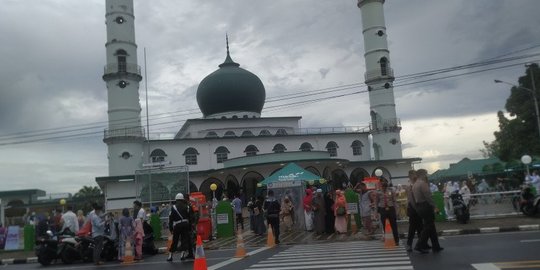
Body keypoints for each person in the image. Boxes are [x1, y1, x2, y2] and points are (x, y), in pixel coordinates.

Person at [413, 169, 444, 254]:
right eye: (426, 174)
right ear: (422, 175)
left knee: (431, 226)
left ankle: (436, 246)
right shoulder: (423, 184)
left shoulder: (415, 184)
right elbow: (429, 197)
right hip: (426, 206)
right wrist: (435, 207)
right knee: (427, 227)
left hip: (419, 206)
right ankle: (419, 245)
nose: (427, 176)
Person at [167, 193, 194, 262]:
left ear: (176, 199)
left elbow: (170, 219)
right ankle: (182, 255)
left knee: (175, 241)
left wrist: (171, 228)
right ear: (182, 199)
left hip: (177, 225)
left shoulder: (173, 207)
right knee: (184, 240)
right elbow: (191, 218)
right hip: (185, 225)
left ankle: (170, 256)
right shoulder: (187, 207)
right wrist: (190, 227)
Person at [377, 180, 399, 246]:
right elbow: (376, 203)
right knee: (384, 225)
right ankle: (388, 239)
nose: (384, 188)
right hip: (383, 209)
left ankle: (396, 240)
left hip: (391, 208)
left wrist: (396, 210)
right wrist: (376, 212)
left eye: (385, 187)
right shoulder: (378, 193)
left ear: (387, 186)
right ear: (381, 186)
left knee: (394, 225)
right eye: (383, 186)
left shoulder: (391, 191)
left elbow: (394, 201)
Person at [405, 170, 423, 252]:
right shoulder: (409, 185)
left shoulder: (417, 184)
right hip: (413, 208)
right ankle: (409, 244)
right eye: (413, 175)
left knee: (420, 227)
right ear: (410, 176)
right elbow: (411, 200)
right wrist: (416, 208)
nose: (415, 176)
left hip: (418, 207)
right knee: (412, 228)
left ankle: (421, 244)